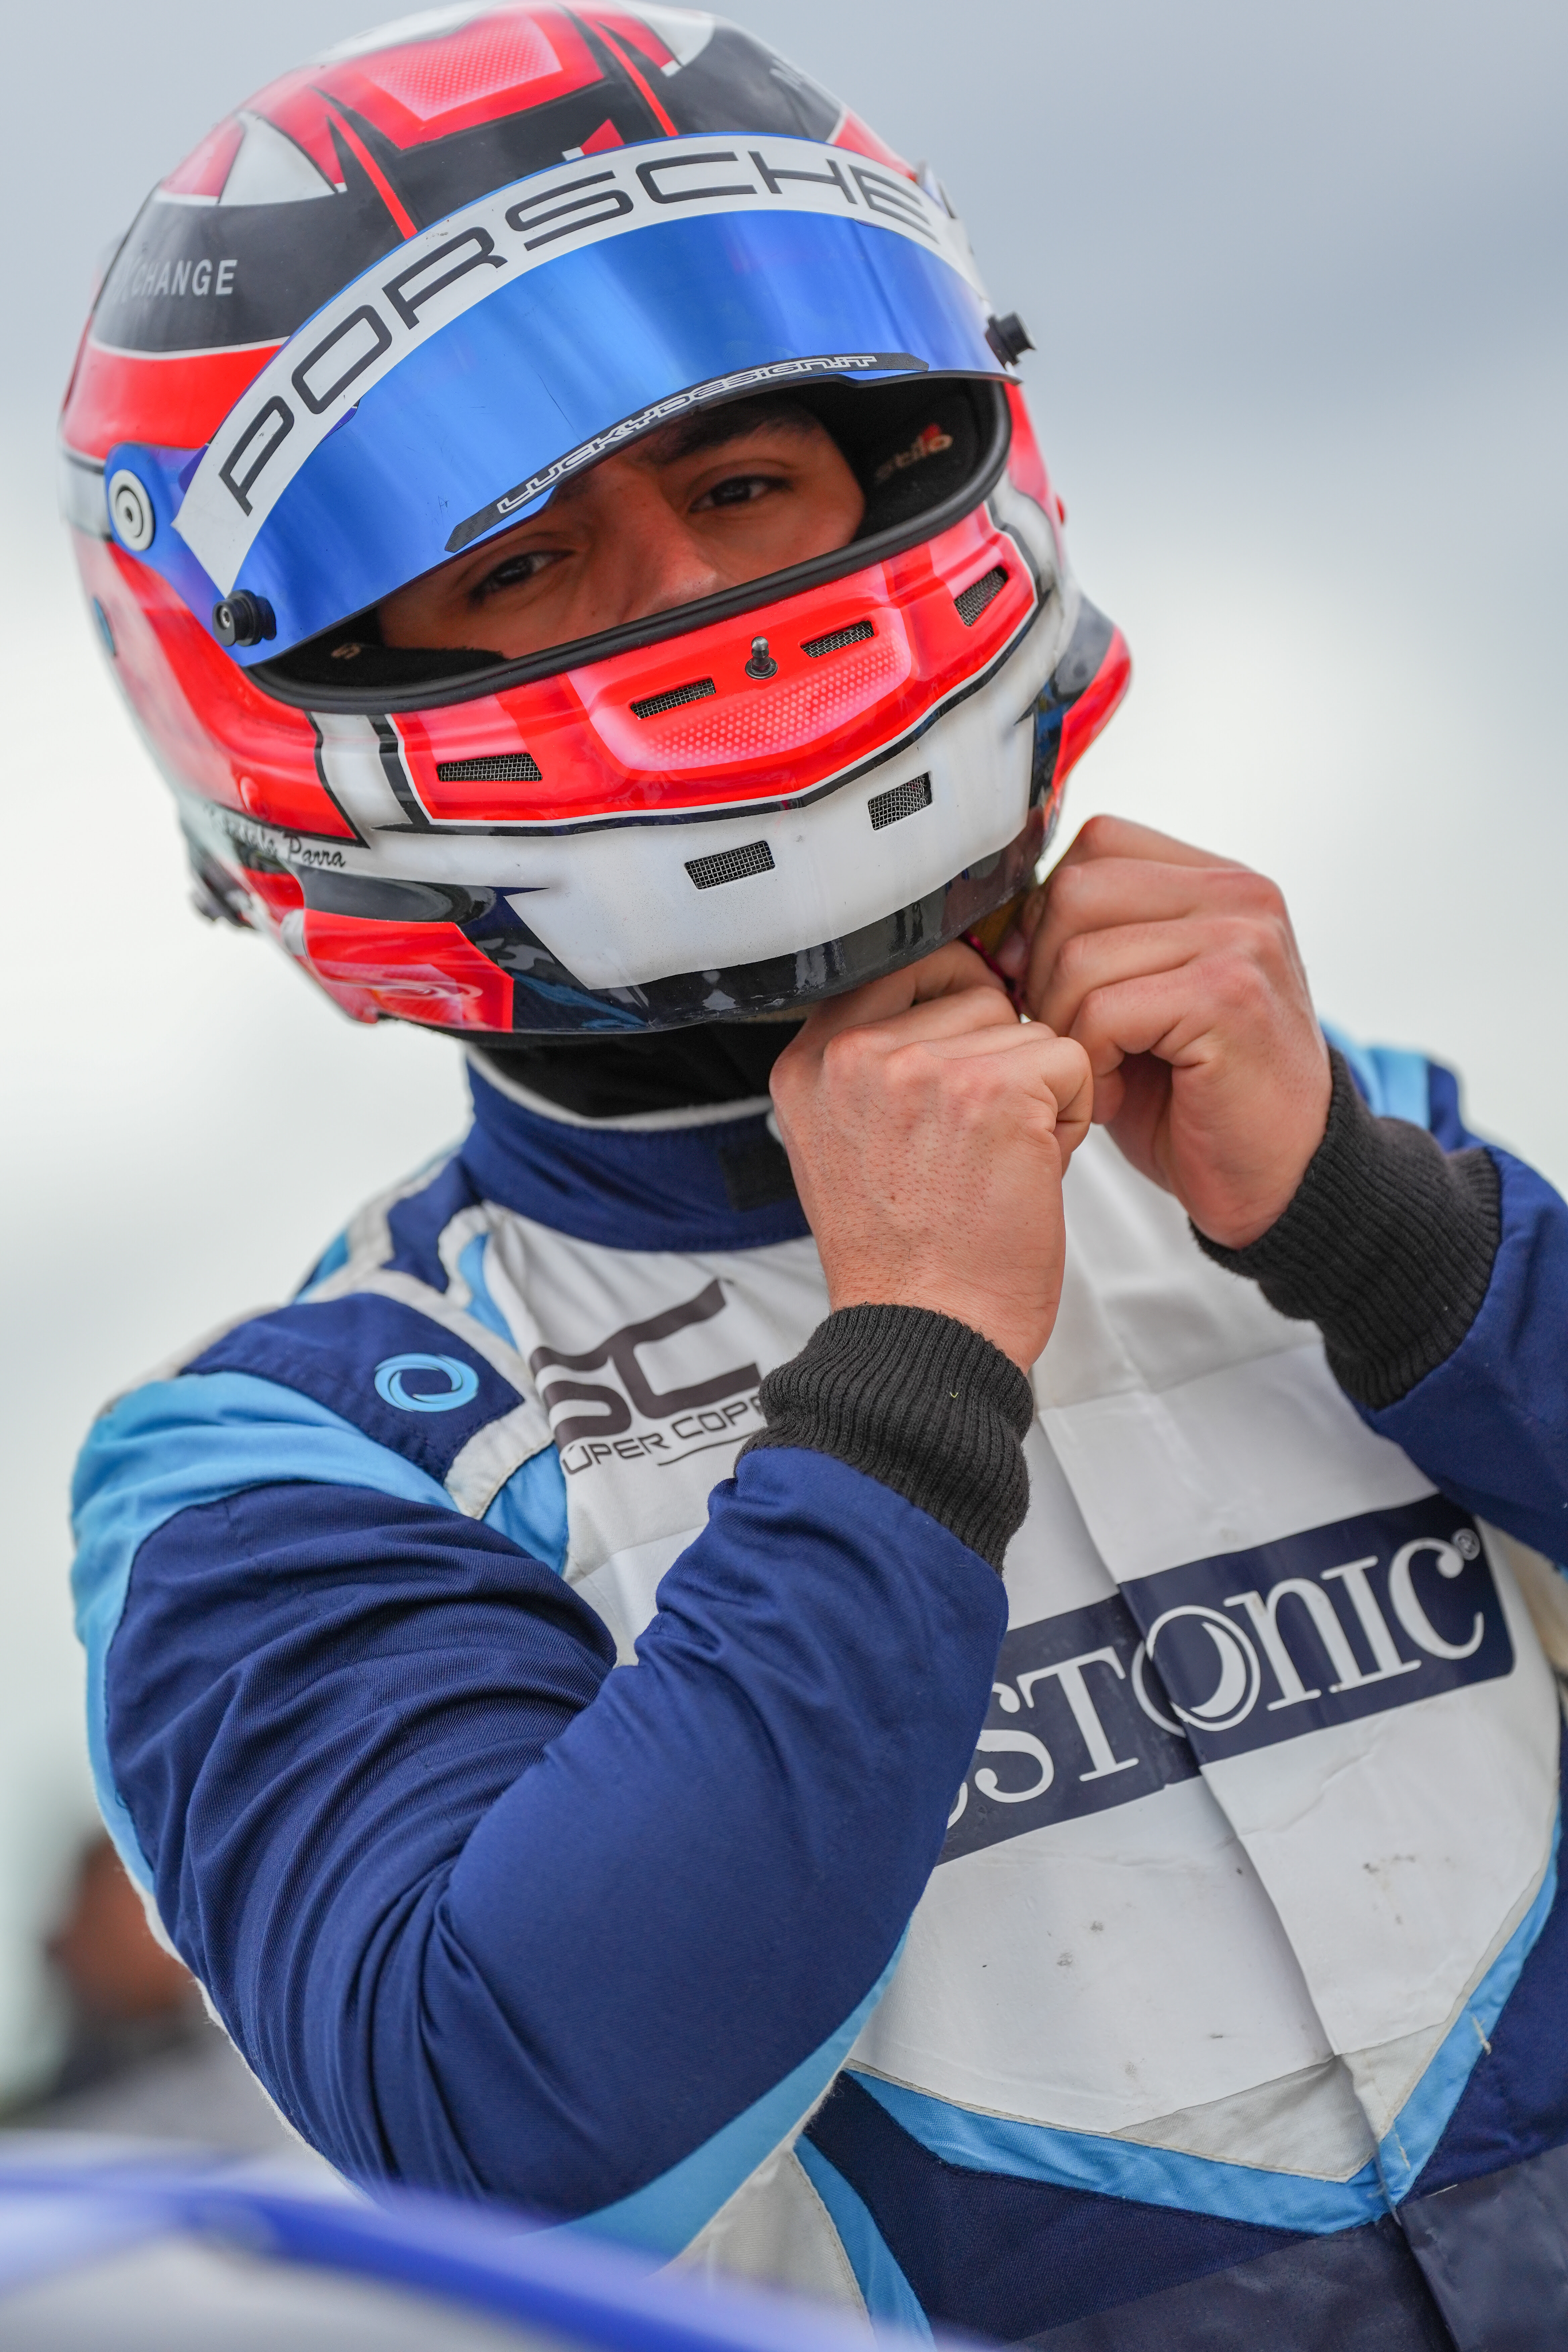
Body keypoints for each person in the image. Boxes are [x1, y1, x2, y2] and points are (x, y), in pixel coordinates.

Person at [63, 8, 1568, 2347]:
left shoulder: (1332, 1136)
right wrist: (904, 1376)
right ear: (306, 692)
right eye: (526, 562)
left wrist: (1390, 1233)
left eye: (747, 485)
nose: (691, 604)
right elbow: (509, 2127)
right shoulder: (309, 1451)